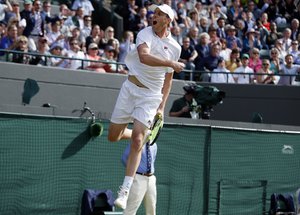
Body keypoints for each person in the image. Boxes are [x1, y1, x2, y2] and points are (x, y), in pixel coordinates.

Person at [107, 4, 184, 210]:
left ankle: (124, 190)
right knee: (113, 136)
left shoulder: (175, 47)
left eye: (160, 14)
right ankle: (136, 133)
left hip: (150, 96)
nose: (155, 16)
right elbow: (144, 57)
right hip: (130, 88)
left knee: (138, 140)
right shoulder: (145, 33)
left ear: (168, 20)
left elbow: (168, 81)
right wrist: (172, 64)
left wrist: (161, 108)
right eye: (155, 13)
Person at [122, 142, 157, 215]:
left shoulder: (154, 145)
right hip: (138, 177)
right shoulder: (136, 142)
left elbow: (152, 160)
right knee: (131, 208)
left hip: (151, 179)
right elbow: (124, 158)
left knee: (152, 208)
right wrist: (133, 170)